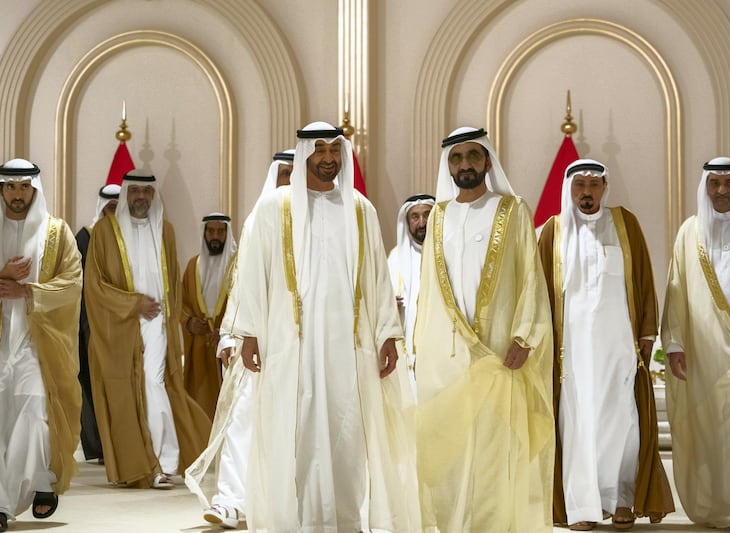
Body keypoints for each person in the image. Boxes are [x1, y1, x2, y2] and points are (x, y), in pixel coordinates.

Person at [229, 122, 419, 531]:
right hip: (287, 342)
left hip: (347, 347)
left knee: (345, 435)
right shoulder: (272, 208)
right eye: (320, 151)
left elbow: (377, 279)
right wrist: (248, 332)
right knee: (292, 432)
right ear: (303, 155)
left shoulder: (359, 208)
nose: (329, 159)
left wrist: (387, 331)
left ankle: (345, 521)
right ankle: (293, 521)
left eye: (335, 151)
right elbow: (252, 273)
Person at [413, 127, 554, 532]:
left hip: (499, 351)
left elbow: (531, 277)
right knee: (449, 447)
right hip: (447, 356)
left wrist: (525, 336)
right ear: (448, 165)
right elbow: (427, 290)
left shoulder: (513, 209)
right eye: (456, 159)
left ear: (488, 161)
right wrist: (421, 345)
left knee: (495, 446)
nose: (465, 165)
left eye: (473, 156)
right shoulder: (438, 215)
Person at [538, 159, 674, 530]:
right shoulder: (552, 232)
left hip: (619, 349)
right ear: (569, 189)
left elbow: (644, 277)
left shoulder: (625, 224)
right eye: (580, 184)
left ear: (604, 188)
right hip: (571, 352)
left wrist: (647, 335)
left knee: (621, 422)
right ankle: (581, 507)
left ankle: (621, 500)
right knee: (575, 423)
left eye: (594, 184)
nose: (586, 191)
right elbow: (539, 295)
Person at [0, 159, 82, 533]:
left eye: (24, 187)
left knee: (37, 412)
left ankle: (41, 481)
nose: (17, 194)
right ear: (1, 190)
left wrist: (27, 292)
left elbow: (72, 284)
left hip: (37, 344)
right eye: (10, 187)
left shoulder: (57, 234)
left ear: (34, 190)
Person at [186, 149, 294, 529]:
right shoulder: (257, 222)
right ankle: (230, 501)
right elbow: (241, 286)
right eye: (283, 173)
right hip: (258, 343)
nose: (289, 180)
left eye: (296, 173)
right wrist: (231, 335)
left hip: (302, 346)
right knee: (241, 418)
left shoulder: (323, 223)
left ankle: (283, 498)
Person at [84, 169, 210, 489]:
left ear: (154, 195)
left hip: (157, 323)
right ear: (126, 194)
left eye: (147, 191)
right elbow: (95, 286)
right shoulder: (103, 231)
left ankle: (163, 461)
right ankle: (138, 464)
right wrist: (132, 304)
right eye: (135, 191)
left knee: (154, 384)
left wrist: (170, 320)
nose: (141, 197)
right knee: (126, 391)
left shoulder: (164, 230)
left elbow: (172, 284)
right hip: (120, 325)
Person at [662, 156, 730, 530]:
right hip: (704, 356)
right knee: (712, 435)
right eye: (714, 183)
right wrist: (674, 344)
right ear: (705, 187)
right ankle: (719, 507)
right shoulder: (689, 232)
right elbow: (676, 290)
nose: (721, 190)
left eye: (729, 183)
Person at [75, 183, 120, 463]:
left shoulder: (127, 237)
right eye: (110, 208)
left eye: (118, 207)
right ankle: (98, 446)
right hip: (89, 322)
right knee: (92, 382)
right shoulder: (85, 238)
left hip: (120, 323)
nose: (114, 213)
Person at [180, 212, 237, 418]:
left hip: (228, 348)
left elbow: (244, 303)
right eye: (211, 231)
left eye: (220, 232)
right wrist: (189, 322)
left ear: (227, 233)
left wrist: (226, 331)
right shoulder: (192, 266)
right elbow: (181, 302)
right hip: (199, 349)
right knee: (200, 404)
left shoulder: (238, 266)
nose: (215, 236)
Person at [387, 193, 435, 396]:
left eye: (427, 215)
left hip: (437, 349)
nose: (422, 222)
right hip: (404, 351)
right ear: (407, 223)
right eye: (415, 217)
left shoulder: (447, 253)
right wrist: (390, 306)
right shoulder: (396, 258)